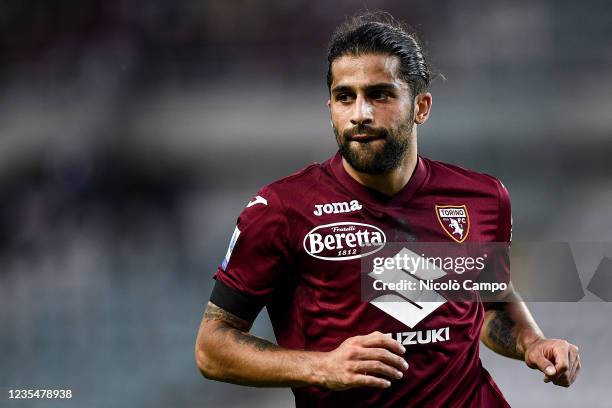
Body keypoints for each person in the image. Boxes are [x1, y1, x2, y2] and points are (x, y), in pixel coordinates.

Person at [195, 12, 581, 407]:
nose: (360, 114)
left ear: (421, 106)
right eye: (346, 97)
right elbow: (212, 347)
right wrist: (322, 367)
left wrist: (533, 343)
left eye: (380, 94)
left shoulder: (482, 196)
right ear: (330, 106)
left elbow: (488, 303)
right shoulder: (281, 209)